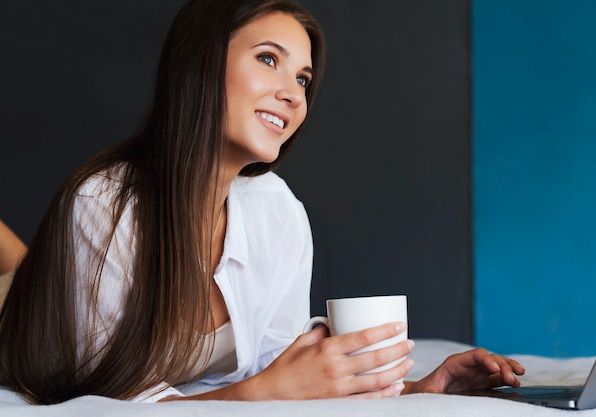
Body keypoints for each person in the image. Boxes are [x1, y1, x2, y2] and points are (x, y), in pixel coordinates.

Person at [0, 0, 524, 405]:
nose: (294, 94)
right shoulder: (105, 202)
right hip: (17, 321)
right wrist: (267, 392)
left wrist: (417, 389)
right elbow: (107, 403)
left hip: (48, 282)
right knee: (17, 280)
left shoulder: (278, 212)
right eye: (269, 59)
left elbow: (286, 371)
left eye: (302, 78)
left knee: (26, 267)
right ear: (201, 64)